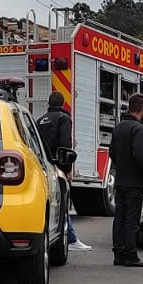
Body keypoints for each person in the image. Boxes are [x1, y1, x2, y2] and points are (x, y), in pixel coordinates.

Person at [36, 91, 91, 251]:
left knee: (53, 205)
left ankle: (69, 237)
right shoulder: (63, 119)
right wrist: (67, 169)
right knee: (63, 204)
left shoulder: (40, 121)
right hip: (58, 166)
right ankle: (71, 238)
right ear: (62, 103)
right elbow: (64, 144)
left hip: (43, 165)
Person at [109, 93, 143, 267]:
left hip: (120, 179)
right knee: (131, 218)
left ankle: (118, 253)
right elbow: (140, 155)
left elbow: (112, 152)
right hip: (134, 181)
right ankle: (130, 254)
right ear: (142, 108)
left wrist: (121, 166)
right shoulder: (138, 129)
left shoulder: (118, 127)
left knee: (119, 216)